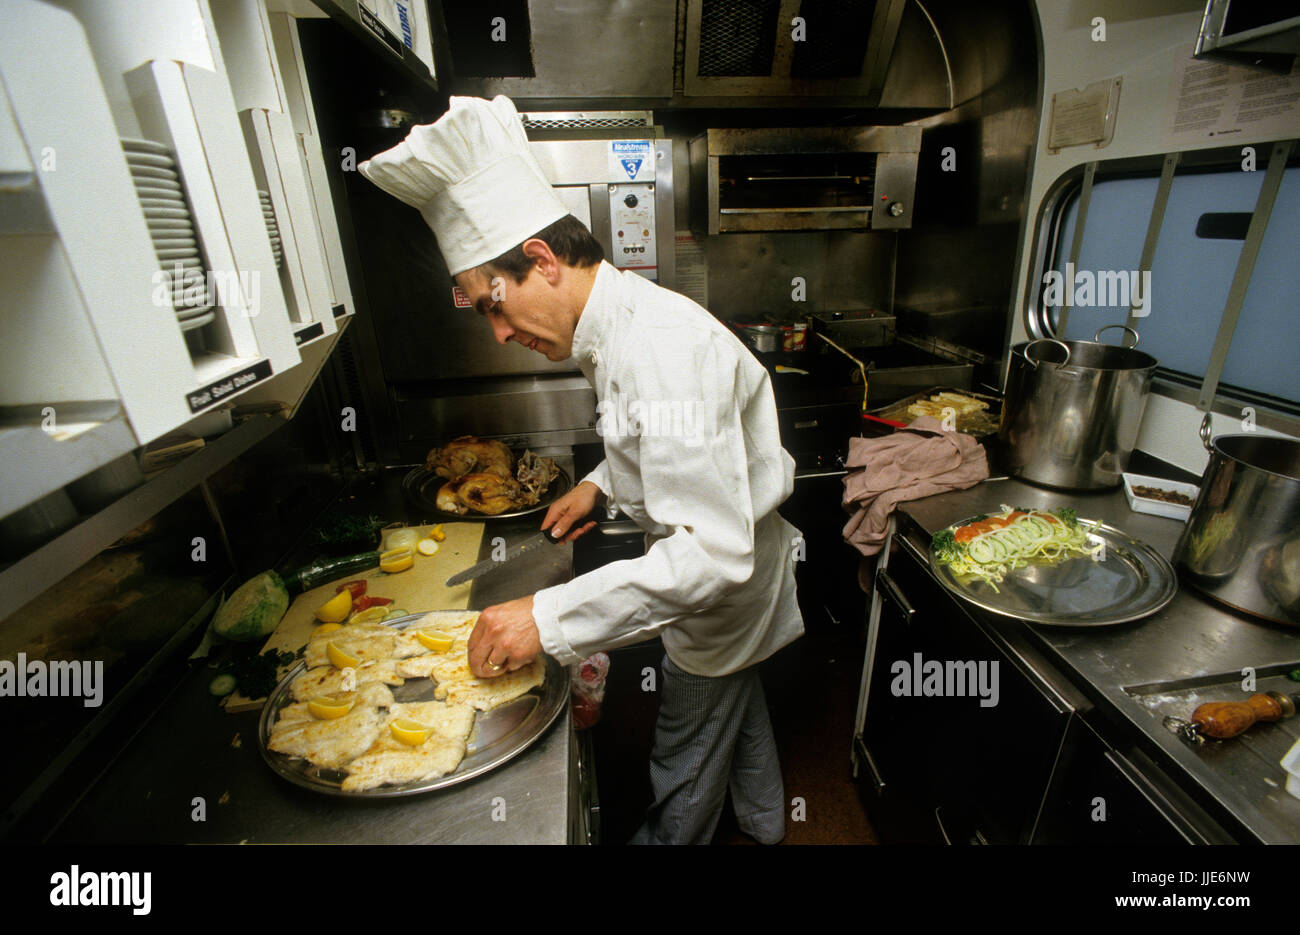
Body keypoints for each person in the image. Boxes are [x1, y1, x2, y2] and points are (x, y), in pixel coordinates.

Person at [360, 95, 804, 844]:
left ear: (540, 259)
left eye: (493, 306)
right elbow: (647, 432)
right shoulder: (616, 326)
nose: (499, 332)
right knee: (738, 702)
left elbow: (711, 553)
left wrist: (547, 617)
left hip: (720, 588)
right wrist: (600, 480)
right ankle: (767, 822)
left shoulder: (659, 348)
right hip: (733, 580)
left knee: (685, 758)